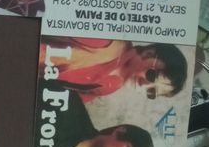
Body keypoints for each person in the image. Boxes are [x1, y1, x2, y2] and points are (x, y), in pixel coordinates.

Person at [40, 37, 187, 101]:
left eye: (151, 92)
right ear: (148, 53)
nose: (144, 85)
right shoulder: (106, 42)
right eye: (151, 76)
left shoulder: (111, 87)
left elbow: (65, 101)